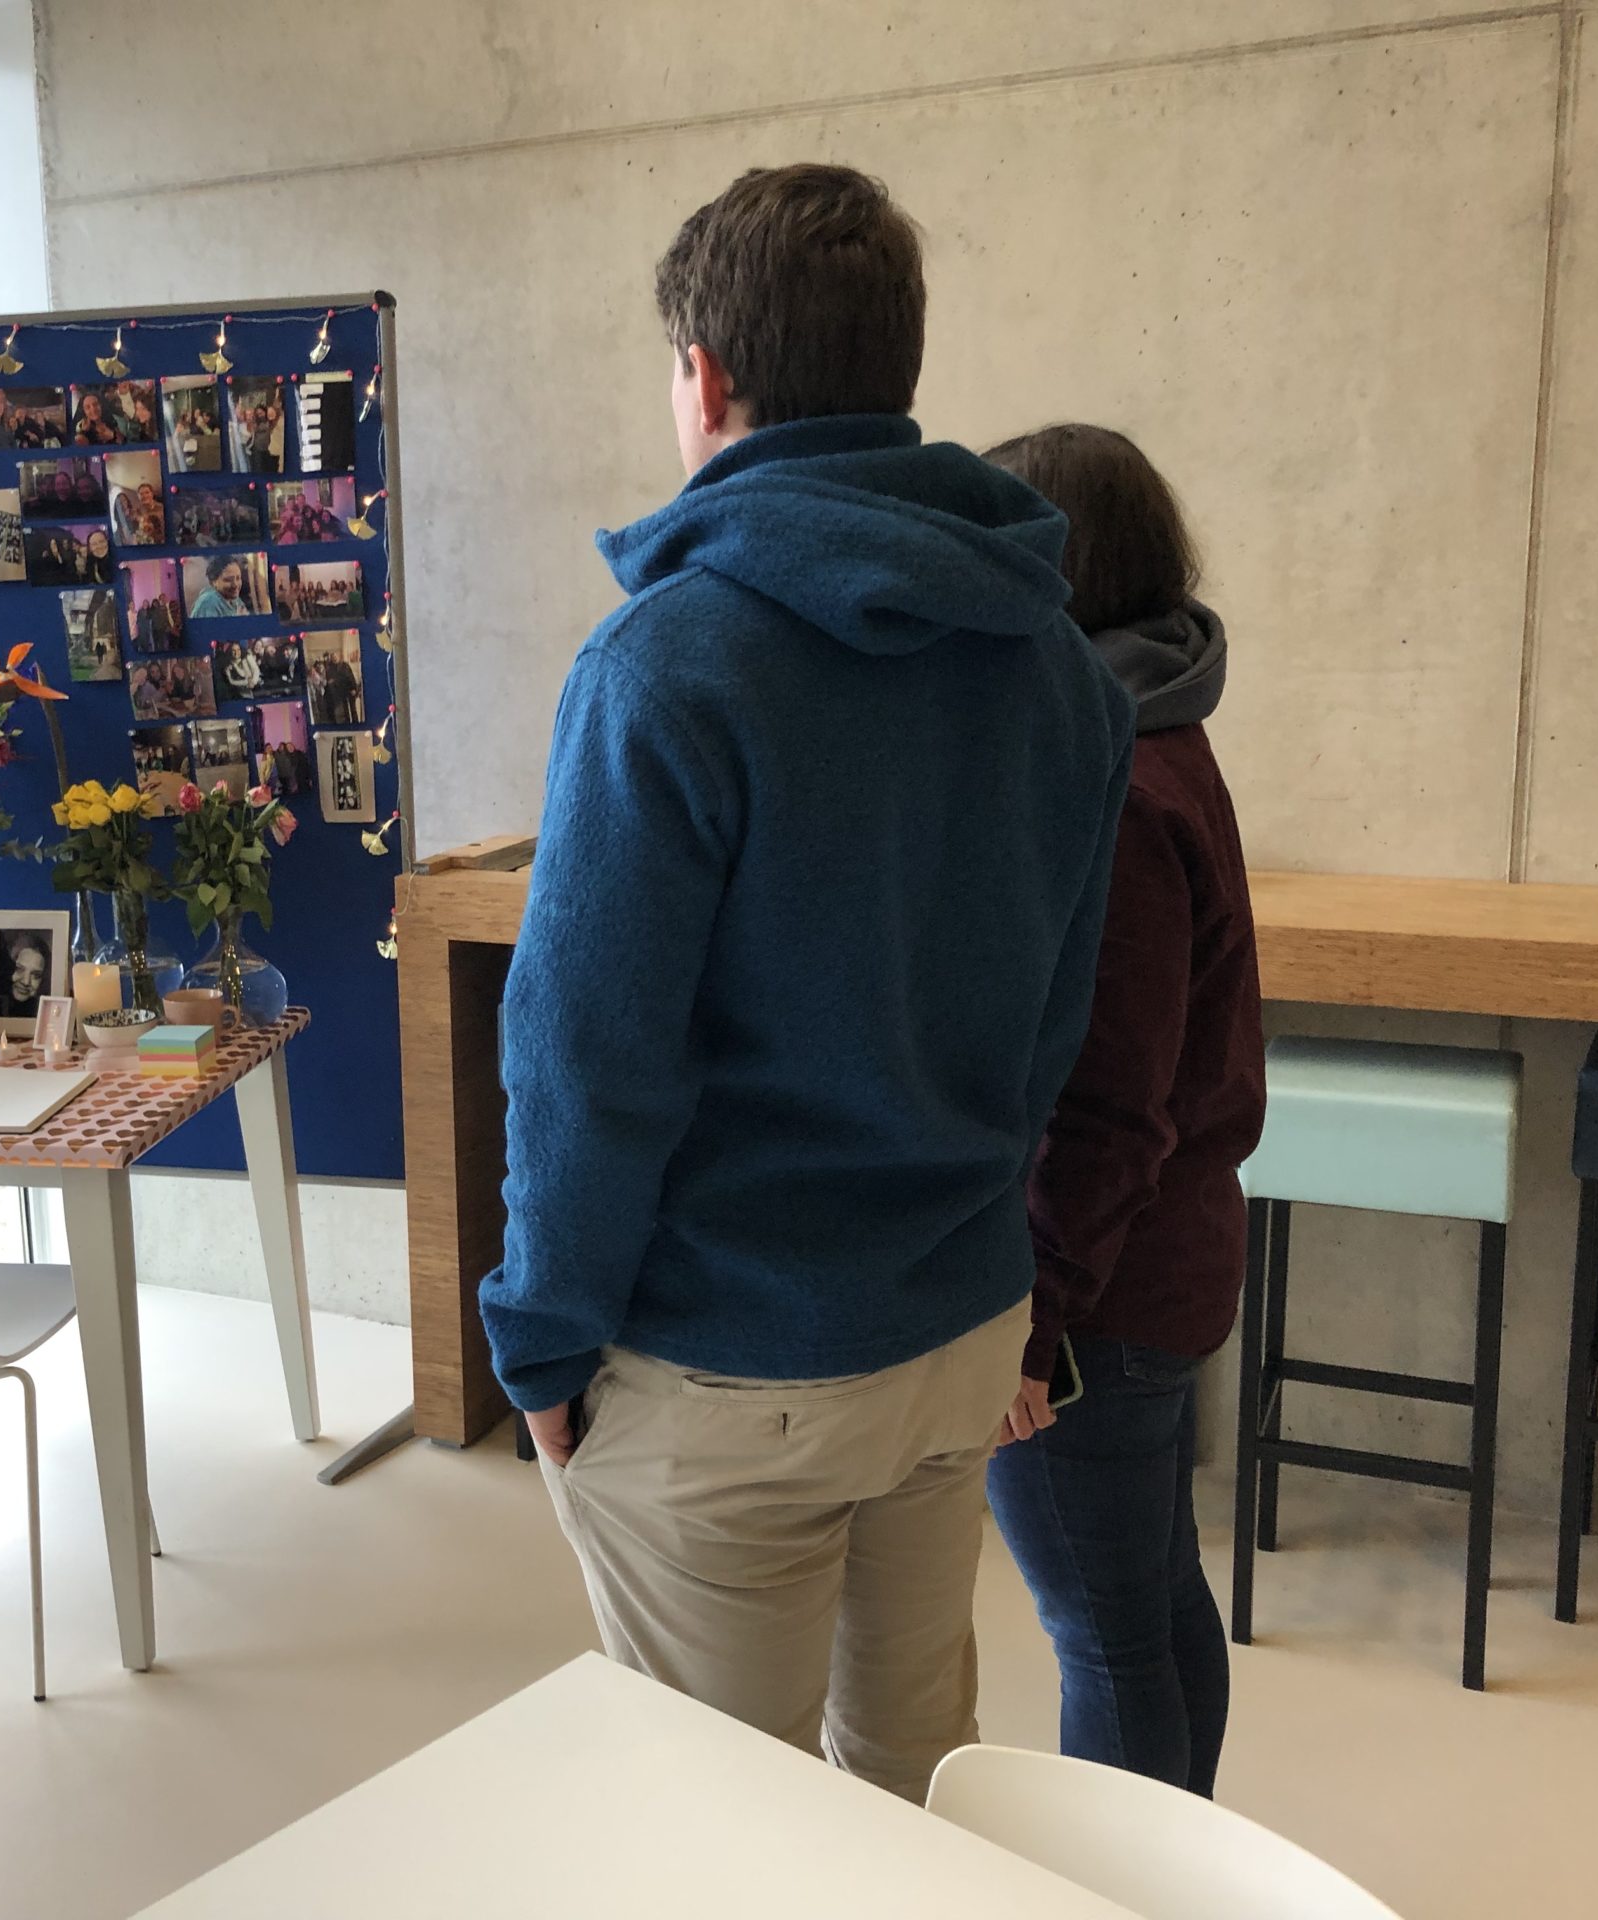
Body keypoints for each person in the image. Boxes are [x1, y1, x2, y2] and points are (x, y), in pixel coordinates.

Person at [475, 164, 1133, 1805]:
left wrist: (541, 1337)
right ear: (897, 366)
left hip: (731, 1360)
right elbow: (1060, 1015)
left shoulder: (670, 661)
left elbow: (585, 1055)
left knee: (727, 1824)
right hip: (958, 1323)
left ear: (703, 375)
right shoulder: (1057, 663)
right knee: (909, 1780)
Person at [976, 424, 1264, 1798]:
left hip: (1104, 1297)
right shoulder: (1158, 722)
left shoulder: (1117, 780)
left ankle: (1132, 1886)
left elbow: (1110, 1103)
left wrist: (1033, 1324)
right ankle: (1182, 1869)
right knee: (1152, 1604)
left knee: (1101, 1635)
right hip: (1166, 1264)